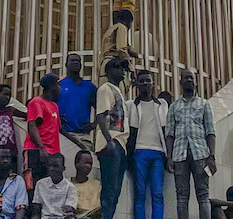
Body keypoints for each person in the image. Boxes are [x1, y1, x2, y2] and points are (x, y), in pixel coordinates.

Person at [165, 70, 216, 219]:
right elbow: (169, 134)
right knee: (181, 196)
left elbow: (210, 132)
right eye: (185, 78)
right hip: (179, 156)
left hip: (201, 155)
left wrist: (212, 156)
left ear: (195, 82)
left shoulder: (204, 104)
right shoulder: (174, 107)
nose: (188, 80)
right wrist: (169, 158)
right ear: (180, 83)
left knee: (203, 195)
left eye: (191, 78)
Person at [127, 70, 168, 219]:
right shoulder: (131, 105)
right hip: (139, 152)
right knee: (140, 193)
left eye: (148, 81)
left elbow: (168, 131)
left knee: (157, 193)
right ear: (137, 84)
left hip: (158, 153)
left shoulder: (162, 104)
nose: (145, 83)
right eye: (142, 81)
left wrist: (168, 155)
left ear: (153, 84)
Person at [92, 55, 130, 219]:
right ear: (108, 71)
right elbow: (101, 116)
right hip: (112, 143)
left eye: (123, 68)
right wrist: (109, 141)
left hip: (120, 144)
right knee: (109, 189)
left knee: (116, 191)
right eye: (118, 67)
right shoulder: (105, 88)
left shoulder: (119, 92)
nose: (122, 71)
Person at [24, 73, 63, 184]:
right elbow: (32, 126)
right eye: (58, 85)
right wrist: (41, 148)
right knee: (33, 185)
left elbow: (60, 129)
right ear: (51, 87)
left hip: (52, 154)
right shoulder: (37, 102)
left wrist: (79, 143)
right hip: (37, 151)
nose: (60, 89)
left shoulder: (54, 106)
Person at [59, 53, 97, 150]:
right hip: (63, 134)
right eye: (72, 60)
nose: (76, 63)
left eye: (78, 61)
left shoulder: (89, 87)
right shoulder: (59, 86)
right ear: (66, 64)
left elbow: (102, 109)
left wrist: (94, 124)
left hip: (83, 135)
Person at [0, 79, 27, 168]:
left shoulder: (11, 110)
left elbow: (27, 116)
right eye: (5, 94)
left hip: (11, 155)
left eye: (9, 95)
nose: (7, 97)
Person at [32, 153, 79, 219]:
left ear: (63, 168)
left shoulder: (70, 187)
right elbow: (36, 210)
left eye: (56, 166)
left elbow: (69, 212)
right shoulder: (40, 184)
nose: (52, 169)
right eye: (50, 165)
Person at [70, 150, 102, 219]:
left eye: (91, 164)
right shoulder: (67, 184)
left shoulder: (96, 184)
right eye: (86, 163)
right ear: (77, 163)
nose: (89, 166)